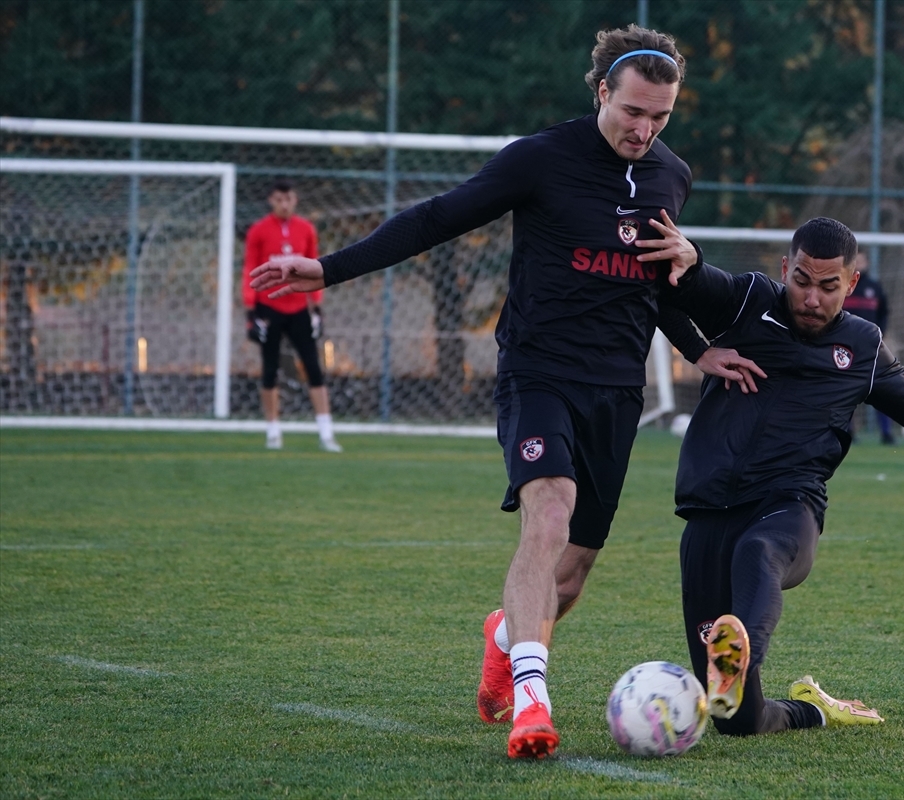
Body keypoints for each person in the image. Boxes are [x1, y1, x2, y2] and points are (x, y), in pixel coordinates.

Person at [249, 25, 762, 759]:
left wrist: (697, 349)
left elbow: (657, 281)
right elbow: (436, 218)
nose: (644, 129)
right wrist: (329, 269)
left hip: (617, 391)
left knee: (572, 575)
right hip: (539, 371)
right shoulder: (540, 158)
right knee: (548, 514)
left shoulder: (670, 176)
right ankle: (532, 705)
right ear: (601, 94)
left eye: (660, 116)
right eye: (632, 113)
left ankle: (503, 637)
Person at [650, 215, 904, 736]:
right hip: (709, 513)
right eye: (801, 281)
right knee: (734, 718)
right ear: (785, 268)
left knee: (759, 553)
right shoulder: (748, 301)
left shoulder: (862, 348)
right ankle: (810, 709)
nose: (811, 298)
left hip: (787, 506)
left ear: (852, 283)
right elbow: (673, 289)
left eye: (827, 286)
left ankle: (741, 654)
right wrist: (698, 330)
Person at [243, 179, 341, 453]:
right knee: (270, 368)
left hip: (299, 308)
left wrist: (317, 307)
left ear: (295, 200)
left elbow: (317, 267)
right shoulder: (259, 231)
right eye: (278, 199)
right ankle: (273, 432)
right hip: (268, 308)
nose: (284, 204)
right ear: (271, 201)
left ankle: (326, 433)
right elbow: (250, 267)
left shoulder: (306, 229)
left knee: (313, 367)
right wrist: (251, 310)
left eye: (288, 199)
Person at [842, 251, 894, 444]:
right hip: (844, 347)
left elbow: (884, 313)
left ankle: (887, 433)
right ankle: (848, 431)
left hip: (871, 348)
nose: (858, 264)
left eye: (861, 260)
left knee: (883, 389)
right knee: (845, 389)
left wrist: (881, 334)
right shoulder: (841, 285)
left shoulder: (874, 287)